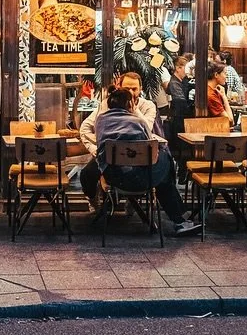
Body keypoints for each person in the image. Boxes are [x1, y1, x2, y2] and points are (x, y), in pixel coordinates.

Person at [93, 86, 201, 237]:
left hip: (113, 178)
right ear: (130, 104)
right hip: (141, 178)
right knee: (166, 158)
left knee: (162, 176)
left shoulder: (100, 121)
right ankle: (180, 220)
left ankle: (181, 221)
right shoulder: (138, 122)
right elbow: (147, 149)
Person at [78, 71, 160, 206]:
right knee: (87, 174)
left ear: (141, 89)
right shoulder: (107, 104)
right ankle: (94, 201)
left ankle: (132, 204)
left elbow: (147, 128)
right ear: (119, 87)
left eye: (134, 89)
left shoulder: (147, 106)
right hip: (109, 156)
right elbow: (85, 128)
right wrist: (96, 150)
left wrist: (134, 109)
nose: (131, 92)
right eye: (127, 88)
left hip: (138, 157)